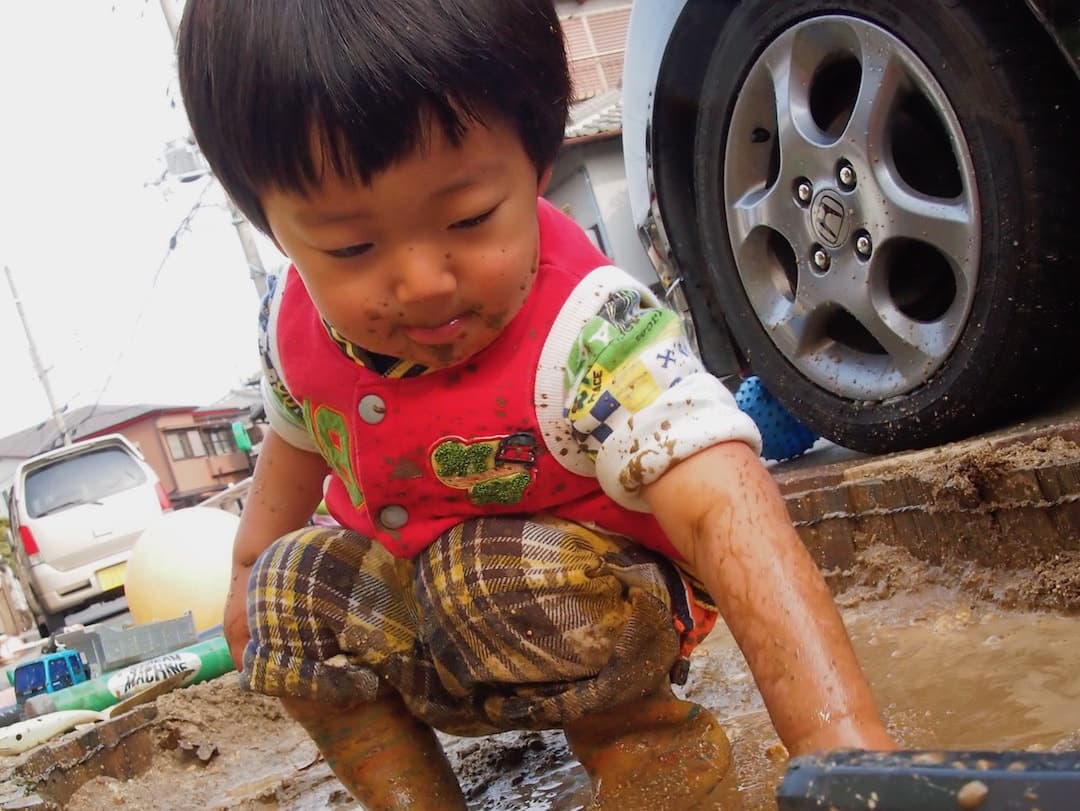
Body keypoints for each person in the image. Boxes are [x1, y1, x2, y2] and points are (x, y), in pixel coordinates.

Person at [176, 1, 896, 807]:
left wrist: (842, 749)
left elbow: (723, 502)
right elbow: (296, 437)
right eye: (350, 247)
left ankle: (654, 766)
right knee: (285, 588)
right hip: (422, 618)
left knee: (475, 575)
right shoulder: (294, 325)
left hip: (589, 602)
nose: (421, 283)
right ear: (271, 225)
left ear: (537, 158)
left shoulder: (590, 330)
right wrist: (246, 576)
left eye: (470, 218)